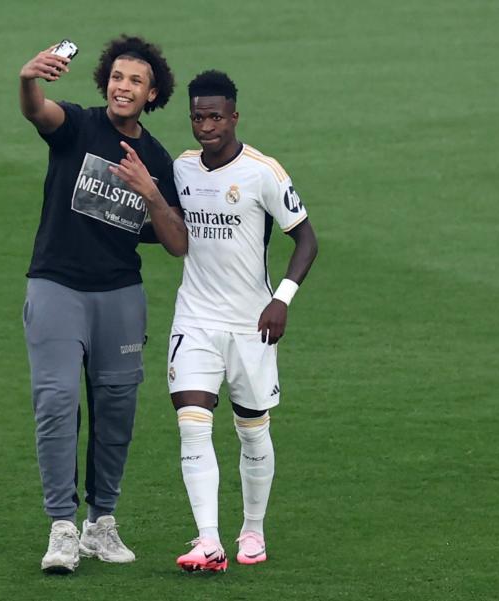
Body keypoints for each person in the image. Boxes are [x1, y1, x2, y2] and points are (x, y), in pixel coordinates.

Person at [17, 36, 187, 574]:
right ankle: (62, 527)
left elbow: (178, 243)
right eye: (117, 77)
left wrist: (150, 191)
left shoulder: (155, 158)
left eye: (135, 81)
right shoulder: (78, 126)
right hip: (57, 287)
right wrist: (27, 80)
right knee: (57, 401)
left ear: (151, 92)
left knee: (116, 410)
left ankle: (101, 523)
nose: (123, 87)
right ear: (104, 83)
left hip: (119, 294)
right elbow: (37, 112)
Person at [169, 70, 318, 571]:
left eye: (215, 116)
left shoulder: (263, 172)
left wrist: (282, 300)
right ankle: (207, 540)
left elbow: (307, 240)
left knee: (252, 430)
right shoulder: (182, 168)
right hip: (194, 318)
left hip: (252, 323)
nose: (206, 126)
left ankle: (252, 529)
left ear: (234, 117)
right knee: (192, 424)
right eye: (197, 116)